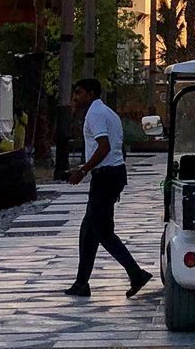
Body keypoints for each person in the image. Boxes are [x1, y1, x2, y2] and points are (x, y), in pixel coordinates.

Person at [64, 78, 153, 298]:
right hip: (111, 174)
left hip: (106, 177)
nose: (75, 97)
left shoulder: (95, 115)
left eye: (79, 92)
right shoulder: (107, 113)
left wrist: (82, 171)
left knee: (102, 231)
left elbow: (103, 147)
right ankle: (81, 283)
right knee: (89, 230)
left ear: (91, 93)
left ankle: (136, 273)